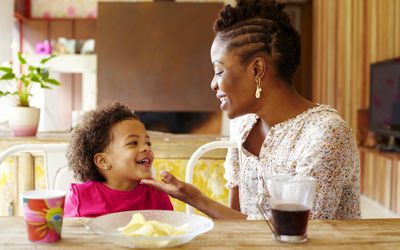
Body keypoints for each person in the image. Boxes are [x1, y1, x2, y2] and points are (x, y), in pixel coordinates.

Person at [141, 0, 360, 220]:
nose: (213, 84)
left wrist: (199, 201)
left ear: (257, 69)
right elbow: (238, 221)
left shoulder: (326, 135)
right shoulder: (243, 125)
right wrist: (194, 198)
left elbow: (298, 235)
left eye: (219, 71)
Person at [64, 102, 173, 217]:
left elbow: (170, 231)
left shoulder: (157, 195)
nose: (146, 148)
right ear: (103, 161)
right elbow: (66, 232)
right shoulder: (80, 198)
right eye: (133, 143)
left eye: (148, 143)